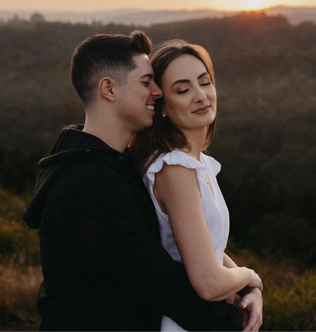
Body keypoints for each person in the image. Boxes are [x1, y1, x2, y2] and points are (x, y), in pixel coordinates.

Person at [22, 30, 243, 331]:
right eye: (146, 82)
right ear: (109, 89)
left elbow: (181, 246)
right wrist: (238, 316)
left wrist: (243, 288)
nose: (157, 92)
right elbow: (164, 286)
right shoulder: (94, 184)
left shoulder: (116, 164)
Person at [128, 40, 263, 332]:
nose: (201, 96)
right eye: (183, 90)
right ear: (162, 106)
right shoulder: (175, 168)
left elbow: (207, 247)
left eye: (204, 82)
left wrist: (248, 289)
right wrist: (249, 275)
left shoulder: (196, 163)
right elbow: (209, 283)